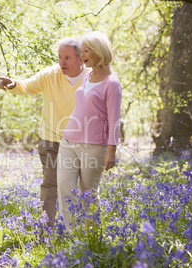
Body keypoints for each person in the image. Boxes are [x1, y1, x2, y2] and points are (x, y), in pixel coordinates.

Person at [0, 37, 90, 227]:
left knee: (82, 186)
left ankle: (80, 231)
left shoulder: (92, 76)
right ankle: (46, 230)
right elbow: (27, 85)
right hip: (52, 141)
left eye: (67, 58)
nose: (62, 62)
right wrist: (13, 84)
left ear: (80, 59)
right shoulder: (50, 75)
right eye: (59, 57)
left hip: (83, 141)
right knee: (50, 184)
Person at [57, 31, 122, 230]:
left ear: (98, 52)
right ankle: (73, 236)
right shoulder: (88, 76)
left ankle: (92, 240)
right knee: (64, 186)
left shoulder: (112, 84)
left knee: (88, 194)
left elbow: (114, 120)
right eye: (82, 51)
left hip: (93, 146)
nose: (82, 55)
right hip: (68, 141)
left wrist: (112, 150)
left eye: (86, 51)